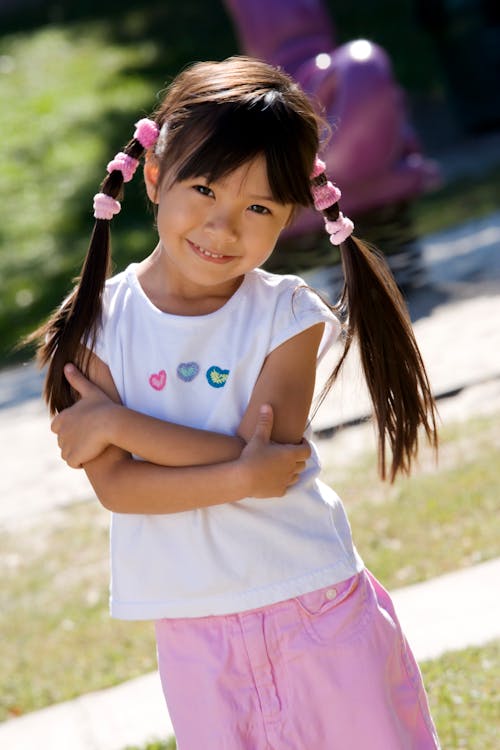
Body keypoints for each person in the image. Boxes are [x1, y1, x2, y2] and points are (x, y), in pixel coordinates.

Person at [34, 56, 440, 748]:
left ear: (292, 216)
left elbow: (275, 458)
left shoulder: (288, 317)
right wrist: (238, 476)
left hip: (318, 609)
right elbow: (121, 486)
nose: (223, 229)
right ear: (155, 177)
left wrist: (117, 423)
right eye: (204, 190)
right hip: (196, 637)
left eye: (259, 208)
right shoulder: (97, 325)